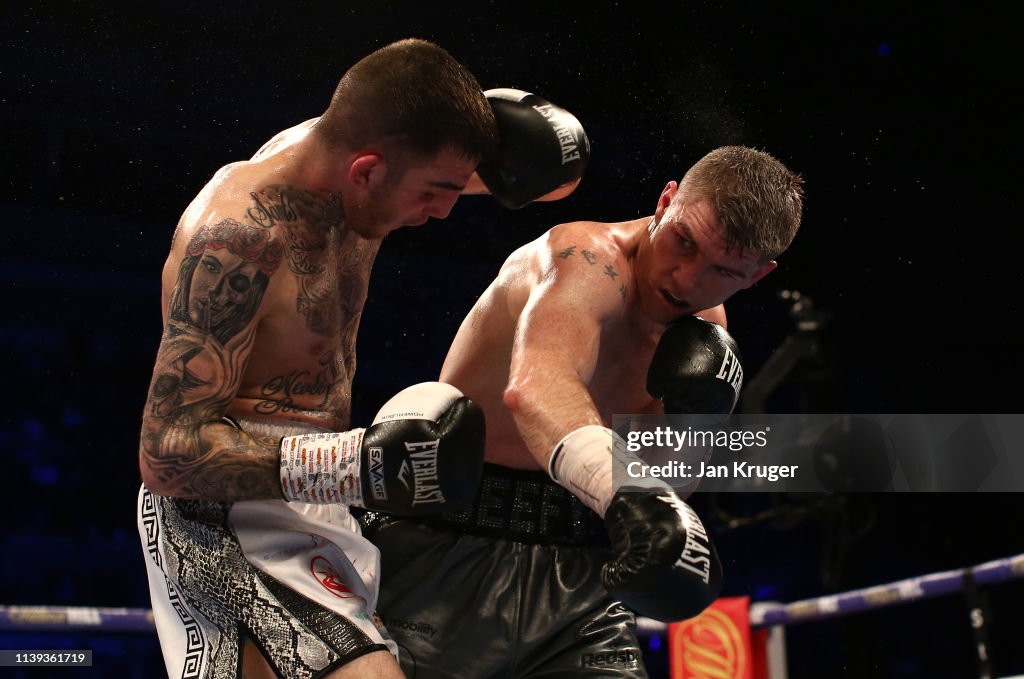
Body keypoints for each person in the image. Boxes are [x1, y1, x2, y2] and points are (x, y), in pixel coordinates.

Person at [136, 38, 588, 679]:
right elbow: (166, 454)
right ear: (366, 170)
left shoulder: (355, 158)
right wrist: (355, 466)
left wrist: (530, 152)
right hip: (223, 509)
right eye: (435, 191)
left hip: (319, 496)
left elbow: (551, 182)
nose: (443, 213)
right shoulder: (238, 240)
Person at [368, 145, 804, 677]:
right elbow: (536, 387)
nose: (686, 281)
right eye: (682, 242)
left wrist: (696, 423)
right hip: (451, 547)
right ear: (666, 202)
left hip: (585, 568)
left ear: (757, 276)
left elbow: (667, 483)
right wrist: (629, 495)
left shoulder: (706, 327)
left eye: (722, 270)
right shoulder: (581, 259)